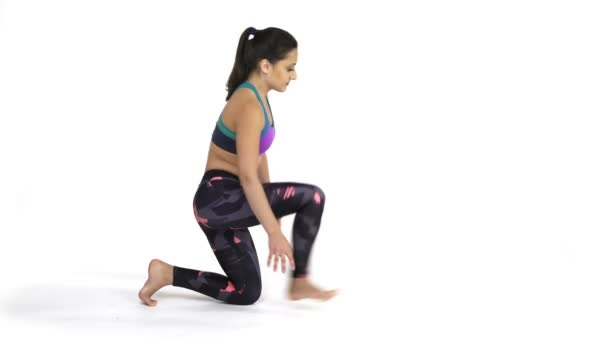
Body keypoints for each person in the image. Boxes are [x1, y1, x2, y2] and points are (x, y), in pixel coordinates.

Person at [138, 26, 337, 306]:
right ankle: (300, 280)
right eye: (290, 67)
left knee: (247, 292)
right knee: (312, 197)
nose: (295, 75)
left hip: (226, 203)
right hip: (218, 199)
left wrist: (274, 216)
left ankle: (166, 273)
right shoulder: (249, 105)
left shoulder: (260, 97)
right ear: (266, 65)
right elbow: (246, 176)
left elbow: (259, 156)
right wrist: (273, 231)